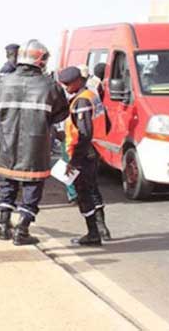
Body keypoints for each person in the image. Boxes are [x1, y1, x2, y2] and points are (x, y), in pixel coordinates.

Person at [0, 39, 69, 245]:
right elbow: (61, 113)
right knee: (31, 189)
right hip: (36, 147)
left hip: (7, 144)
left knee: (6, 185)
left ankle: (2, 226)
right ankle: (22, 231)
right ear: (41, 60)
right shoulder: (50, 85)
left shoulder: (2, 82)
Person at [58, 66, 111, 245]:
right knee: (93, 189)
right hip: (94, 151)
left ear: (77, 81)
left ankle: (93, 233)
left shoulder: (81, 102)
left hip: (83, 154)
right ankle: (101, 228)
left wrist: (74, 161)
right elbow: (107, 123)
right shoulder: (91, 95)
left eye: (68, 84)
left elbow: (84, 134)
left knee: (83, 193)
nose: (66, 88)